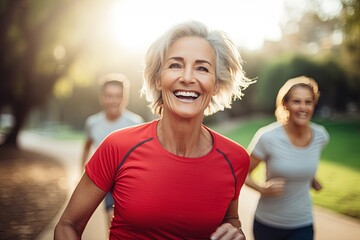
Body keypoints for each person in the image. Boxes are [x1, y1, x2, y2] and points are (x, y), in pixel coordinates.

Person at [54, 20, 254, 240]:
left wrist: (236, 233)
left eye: (202, 68)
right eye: (175, 65)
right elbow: (68, 224)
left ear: (216, 84)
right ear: (158, 79)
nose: (187, 78)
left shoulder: (235, 159)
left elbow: (231, 221)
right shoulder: (118, 147)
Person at [245, 76, 330, 240]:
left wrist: (310, 177)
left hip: (302, 223)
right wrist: (262, 188)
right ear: (285, 104)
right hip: (267, 223)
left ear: (314, 104)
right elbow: (242, 174)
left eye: (308, 102)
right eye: (296, 101)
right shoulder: (268, 137)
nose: (303, 107)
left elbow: (299, 161)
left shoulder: (321, 136)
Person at [81, 72, 144, 226]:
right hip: (108, 183)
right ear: (102, 98)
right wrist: (82, 175)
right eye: (109, 96)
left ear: (125, 98)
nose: (114, 100)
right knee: (112, 222)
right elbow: (86, 148)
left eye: (118, 96)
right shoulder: (92, 123)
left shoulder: (136, 122)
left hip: (132, 182)